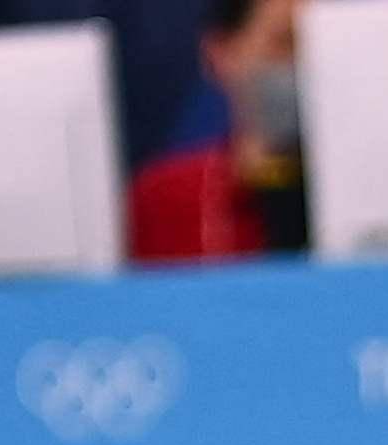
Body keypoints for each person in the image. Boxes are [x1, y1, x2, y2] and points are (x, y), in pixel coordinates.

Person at [130, 0, 309, 263]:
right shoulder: (164, 199)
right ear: (221, 52)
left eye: (321, 42)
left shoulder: (370, 194)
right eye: (286, 42)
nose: (308, 61)